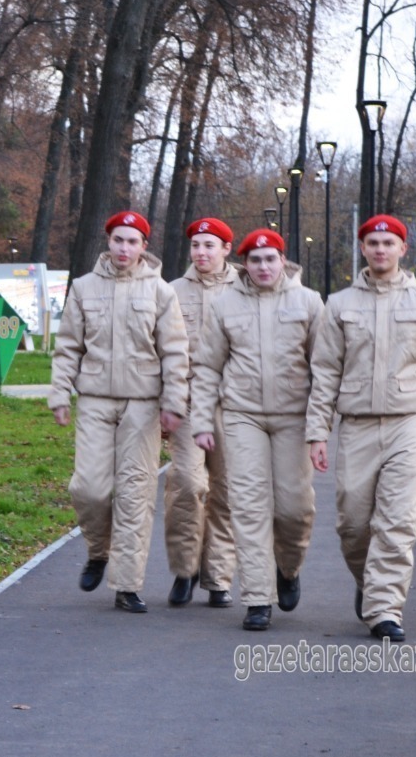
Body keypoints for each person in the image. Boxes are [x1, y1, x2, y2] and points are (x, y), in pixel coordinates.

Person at [306, 215, 416, 643]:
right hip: (354, 427)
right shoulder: (339, 305)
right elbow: (324, 373)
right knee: (353, 524)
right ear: (363, 249)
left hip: (407, 426)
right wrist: (317, 432)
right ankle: (368, 582)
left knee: (397, 521)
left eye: (388, 243)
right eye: (372, 243)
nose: (379, 250)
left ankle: (384, 608)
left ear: (402, 249)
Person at [51, 210, 189, 613]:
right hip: (95, 400)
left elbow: (175, 354)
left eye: (133, 241)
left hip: (142, 406)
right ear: (107, 242)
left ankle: (127, 585)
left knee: (135, 494)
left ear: (144, 246)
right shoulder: (83, 288)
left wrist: (173, 403)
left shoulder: (161, 292)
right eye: (118, 240)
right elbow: (68, 347)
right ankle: (99, 550)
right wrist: (60, 393)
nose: (124, 248)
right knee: (88, 488)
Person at [190, 230, 324, 632]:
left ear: (284, 261)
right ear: (243, 264)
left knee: (293, 509)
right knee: (247, 505)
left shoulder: (308, 302)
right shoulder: (225, 304)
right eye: (255, 260)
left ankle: (288, 567)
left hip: (293, 417)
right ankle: (257, 598)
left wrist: (319, 425)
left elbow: (324, 368)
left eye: (270, 259)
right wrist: (201, 421)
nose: (263, 267)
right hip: (242, 415)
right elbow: (208, 366)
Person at [164, 217, 239, 609]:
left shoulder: (246, 289)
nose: (201, 252)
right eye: (196, 245)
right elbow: (159, 351)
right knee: (188, 486)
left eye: (210, 245)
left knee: (225, 494)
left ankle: (218, 578)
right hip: (189, 403)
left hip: (235, 406)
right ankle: (184, 569)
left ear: (227, 249)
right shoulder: (172, 292)